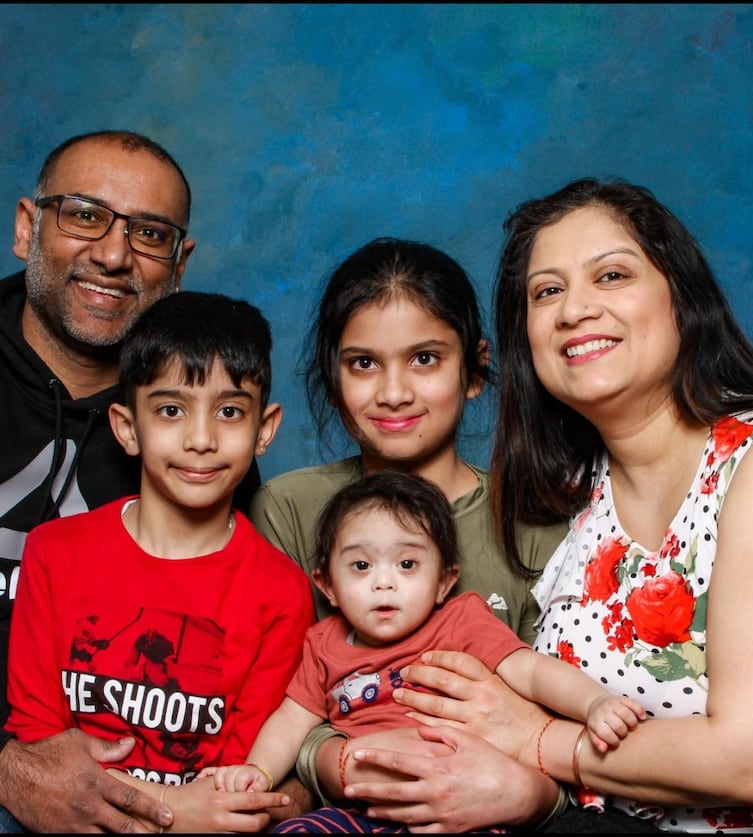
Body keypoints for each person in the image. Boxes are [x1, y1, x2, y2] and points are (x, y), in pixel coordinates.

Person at [327, 178, 753, 833]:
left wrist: (538, 739)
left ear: (682, 297)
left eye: (611, 275)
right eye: (548, 291)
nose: (575, 309)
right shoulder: (569, 498)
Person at [247, 237, 566, 814]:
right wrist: (340, 760)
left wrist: (531, 796)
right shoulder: (288, 508)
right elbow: (286, 708)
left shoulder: (536, 520)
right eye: (363, 364)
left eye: (425, 359)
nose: (393, 394)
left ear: (475, 369)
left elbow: (558, 724)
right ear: (333, 378)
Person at [5, 290, 316, 832]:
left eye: (229, 412)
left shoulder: (281, 592)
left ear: (264, 430)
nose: (201, 439)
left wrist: (178, 812)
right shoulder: (54, 551)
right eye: (171, 410)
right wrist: (166, 802)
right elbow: (38, 743)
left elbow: (236, 779)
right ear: (127, 428)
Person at [205, 470, 644, 833]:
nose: (384, 582)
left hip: (465, 805)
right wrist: (259, 772)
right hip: (362, 810)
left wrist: (593, 703)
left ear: (443, 582)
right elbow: (290, 721)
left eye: (407, 564)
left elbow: (531, 672)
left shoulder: (460, 621)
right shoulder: (323, 644)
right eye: (361, 566)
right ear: (327, 586)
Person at [0, 129, 198, 833]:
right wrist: (9, 770)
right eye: (84, 215)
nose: (114, 256)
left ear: (179, 264)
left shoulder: (199, 426)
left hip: (129, 781)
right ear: (28, 228)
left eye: (150, 234)